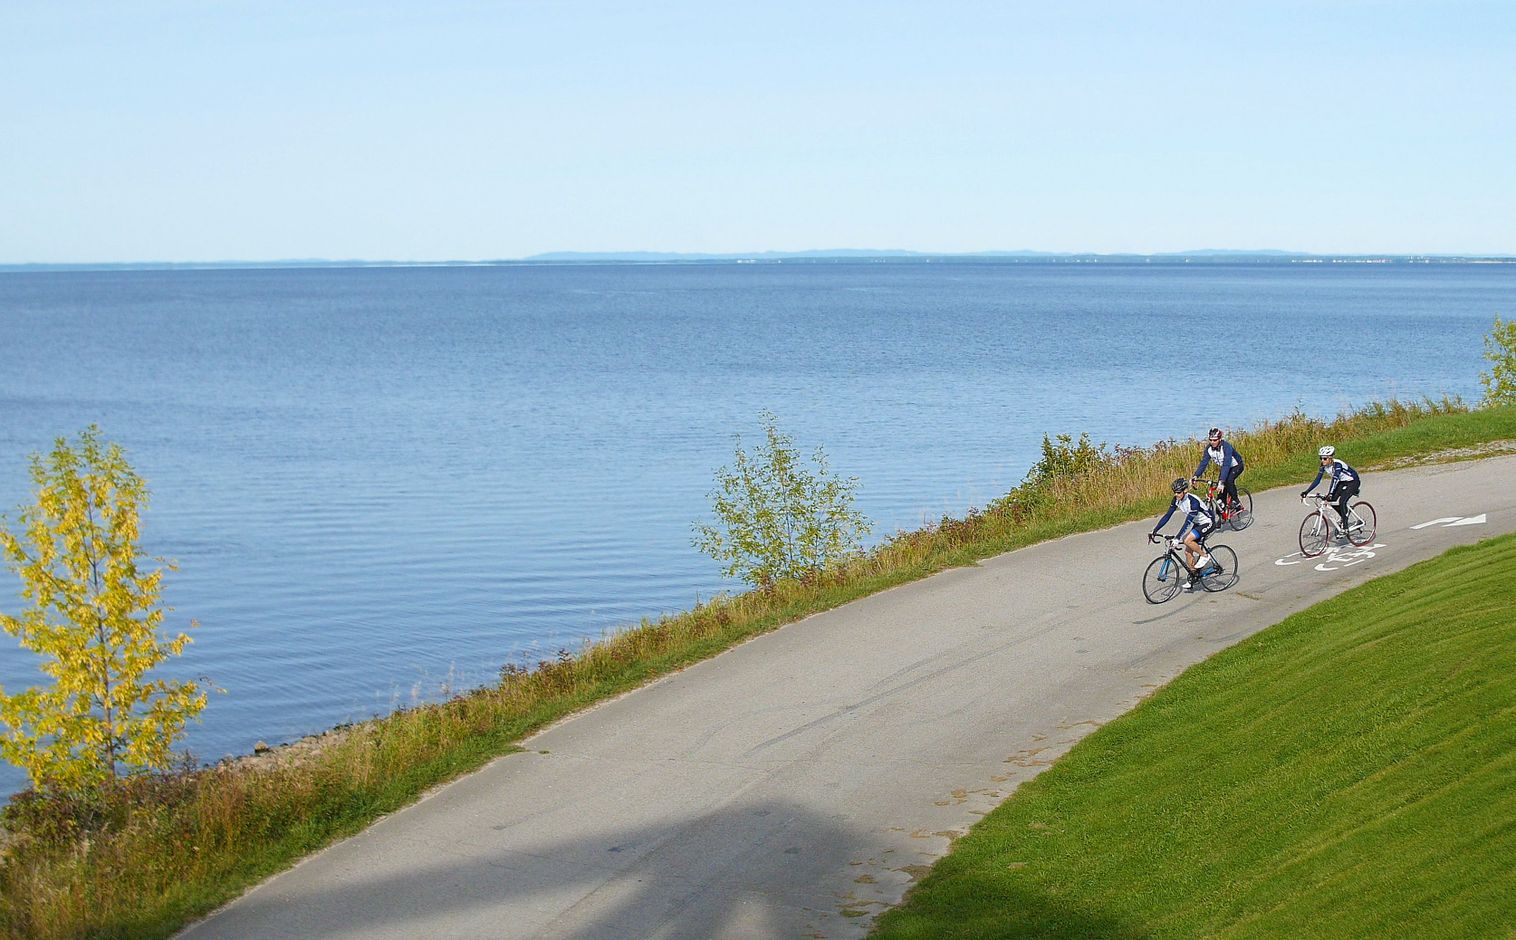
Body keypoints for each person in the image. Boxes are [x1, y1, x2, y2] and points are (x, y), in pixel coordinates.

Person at [1149, 477, 1214, 589]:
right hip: (1197, 523)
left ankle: (1205, 556)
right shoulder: (1176, 500)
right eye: (1174, 492)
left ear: (1185, 491)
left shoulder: (1193, 502)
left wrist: (1177, 538)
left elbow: (1187, 522)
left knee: (1186, 540)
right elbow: (1167, 516)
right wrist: (1155, 531)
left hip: (1208, 522)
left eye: (1178, 492)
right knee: (1188, 553)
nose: (1176, 494)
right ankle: (1194, 576)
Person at [1301, 445, 1361, 538]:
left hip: (1353, 481)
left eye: (1324, 458)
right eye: (1321, 458)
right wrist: (1307, 491)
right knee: (1331, 500)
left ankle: (1345, 528)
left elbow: (1335, 480)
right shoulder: (1323, 466)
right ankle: (1344, 514)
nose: (1322, 460)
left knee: (1342, 501)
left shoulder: (1338, 465)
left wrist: (1330, 493)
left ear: (1330, 458)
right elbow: (1318, 480)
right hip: (1342, 482)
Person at [1193, 427, 1245, 514]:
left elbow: (1226, 464)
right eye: (1211, 440)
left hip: (1236, 466)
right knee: (1220, 492)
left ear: (1220, 439)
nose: (1212, 442)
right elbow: (1204, 463)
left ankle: (1237, 502)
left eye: (1215, 440)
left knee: (1228, 481)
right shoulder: (1209, 449)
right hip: (1225, 468)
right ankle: (1221, 516)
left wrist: (1222, 481)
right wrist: (1196, 475)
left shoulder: (1226, 447)